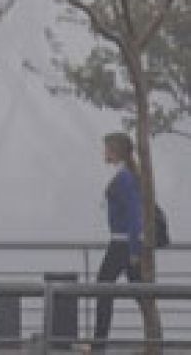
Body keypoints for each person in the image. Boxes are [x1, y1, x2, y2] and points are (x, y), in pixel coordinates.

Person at [90, 132, 147, 352]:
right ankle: (156, 337)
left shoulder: (125, 177)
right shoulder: (125, 174)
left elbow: (134, 214)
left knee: (104, 288)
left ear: (115, 151)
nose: (103, 152)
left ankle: (98, 344)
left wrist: (134, 249)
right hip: (123, 243)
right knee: (141, 293)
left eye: (106, 148)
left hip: (122, 245)